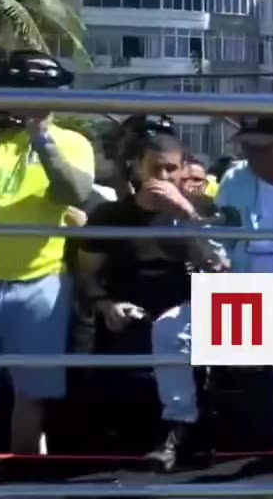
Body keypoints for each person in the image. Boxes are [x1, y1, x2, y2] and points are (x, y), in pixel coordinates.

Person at [147, 116, 273, 459]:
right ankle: (181, 426)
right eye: (246, 145)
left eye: (259, 146)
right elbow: (222, 237)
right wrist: (215, 258)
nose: (250, 154)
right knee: (169, 330)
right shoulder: (235, 179)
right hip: (240, 300)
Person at [73, 132, 217, 460]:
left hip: (183, 320)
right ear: (137, 168)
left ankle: (179, 439)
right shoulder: (110, 217)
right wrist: (106, 305)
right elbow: (86, 275)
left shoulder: (201, 213)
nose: (163, 179)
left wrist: (185, 213)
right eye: (155, 169)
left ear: (184, 171)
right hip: (129, 322)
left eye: (171, 170)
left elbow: (218, 265)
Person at [0, 50, 95, 455]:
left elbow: (74, 193)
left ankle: (23, 480)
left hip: (41, 283)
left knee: (30, 395)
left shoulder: (72, 141)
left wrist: (41, 135)